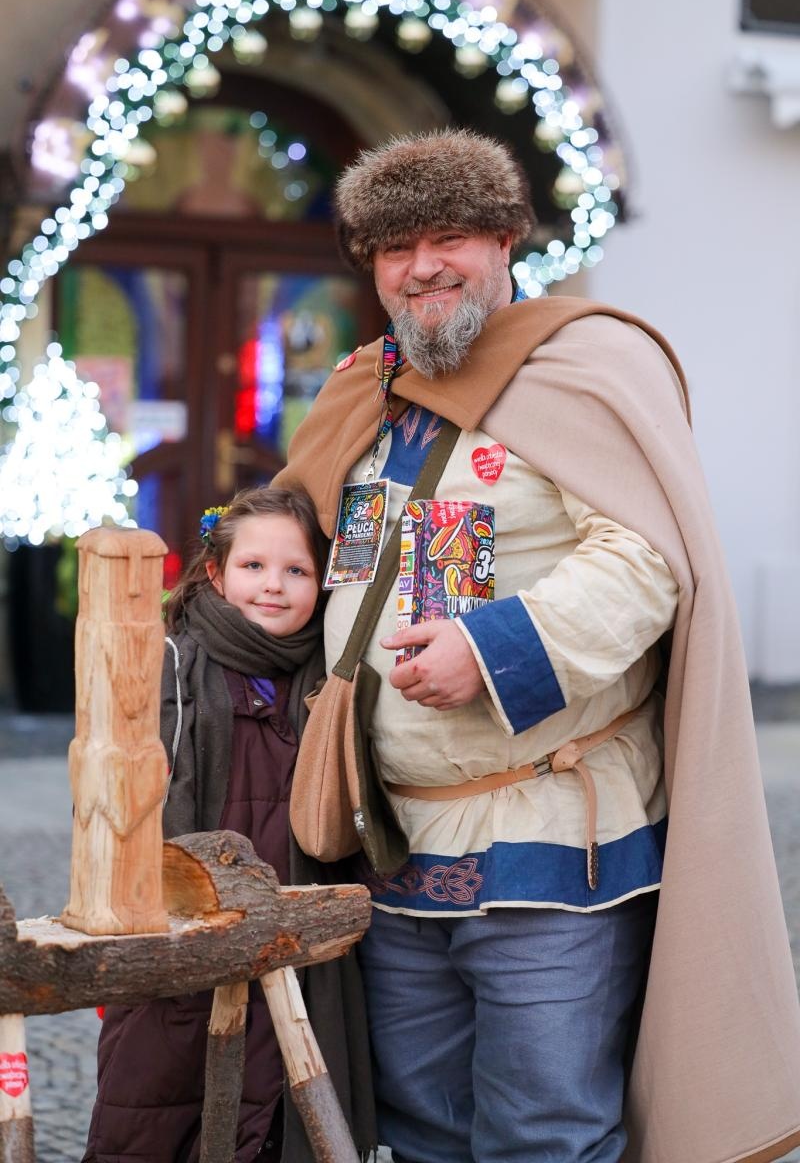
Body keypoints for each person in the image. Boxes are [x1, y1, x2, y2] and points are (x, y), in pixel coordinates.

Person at [275, 129, 800, 1163]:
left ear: (506, 238)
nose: (421, 265)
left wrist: (490, 650)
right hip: (386, 843)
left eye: (448, 236)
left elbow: (646, 560)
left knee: (541, 1136)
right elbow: (298, 548)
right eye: (393, 248)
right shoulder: (362, 393)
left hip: (552, 840)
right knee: (421, 1134)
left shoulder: (585, 364)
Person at [82, 486, 376, 1163]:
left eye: (296, 571)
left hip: (291, 953)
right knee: (156, 1117)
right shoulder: (174, 664)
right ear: (216, 572)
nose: (273, 586)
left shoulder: (328, 674)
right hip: (183, 947)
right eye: (253, 567)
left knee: (271, 1119)